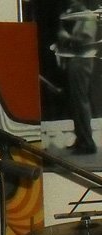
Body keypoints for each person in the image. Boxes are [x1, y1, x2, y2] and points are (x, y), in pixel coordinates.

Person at [54, 0, 98, 154]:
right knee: (75, 103)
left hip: (82, 62)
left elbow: (85, 41)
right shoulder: (79, 18)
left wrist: (66, 37)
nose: (71, 2)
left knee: (80, 102)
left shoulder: (88, 17)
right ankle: (82, 140)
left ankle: (87, 143)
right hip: (77, 61)